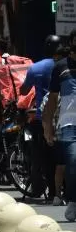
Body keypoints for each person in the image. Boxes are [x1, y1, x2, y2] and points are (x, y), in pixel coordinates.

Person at [22, 35, 67, 203]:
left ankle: (51, 193)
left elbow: (24, 90)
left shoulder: (36, 68)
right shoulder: (66, 65)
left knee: (44, 157)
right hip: (67, 115)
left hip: (44, 117)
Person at [41, 41, 76, 221]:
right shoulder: (60, 68)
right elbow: (52, 100)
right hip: (69, 124)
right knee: (73, 160)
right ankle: (72, 201)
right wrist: (47, 126)